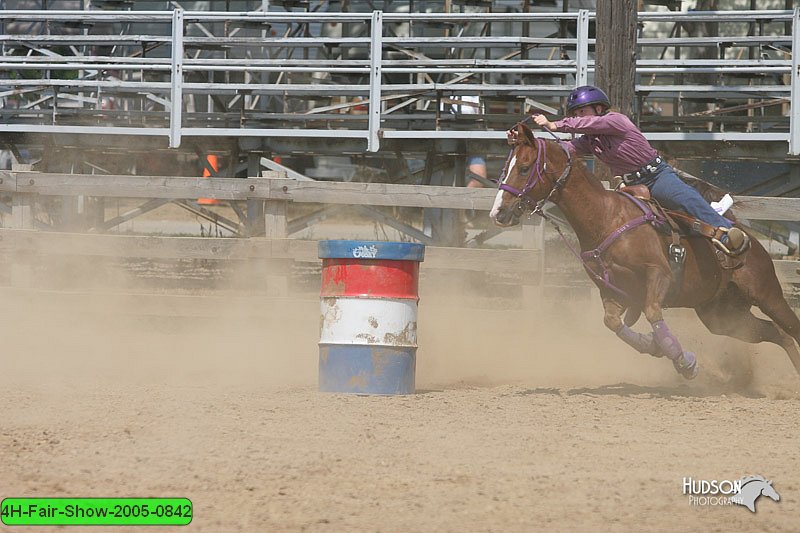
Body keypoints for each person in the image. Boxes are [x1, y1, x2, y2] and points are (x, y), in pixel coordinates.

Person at [511, 85, 746, 255]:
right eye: (575, 114)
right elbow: (563, 149)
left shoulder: (615, 120)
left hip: (656, 177)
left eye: (581, 112)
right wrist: (529, 142)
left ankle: (726, 230)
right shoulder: (591, 141)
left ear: (599, 108)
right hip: (631, 185)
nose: (577, 118)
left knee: (685, 200)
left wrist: (555, 124)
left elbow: (589, 125)